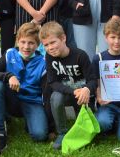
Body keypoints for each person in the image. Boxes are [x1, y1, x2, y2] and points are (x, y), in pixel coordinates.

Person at [0, 22, 49, 155]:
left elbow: (46, 94)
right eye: (23, 42)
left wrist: (51, 125)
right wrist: (8, 75)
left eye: (31, 43)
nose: (26, 47)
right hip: (11, 99)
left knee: (40, 135)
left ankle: (29, 121)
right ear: (17, 41)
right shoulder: (10, 54)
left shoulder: (43, 62)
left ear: (38, 44)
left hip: (31, 101)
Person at [40, 22, 98, 150]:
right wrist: (73, 91)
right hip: (68, 93)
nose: (50, 48)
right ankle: (62, 132)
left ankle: (82, 130)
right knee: (56, 97)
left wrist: (87, 89)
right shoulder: (49, 57)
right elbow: (53, 82)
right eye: (46, 45)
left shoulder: (80, 55)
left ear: (63, 38)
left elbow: (93, 80)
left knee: (88, 131)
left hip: (83, 96)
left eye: (53, 42)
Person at [92, 19, 120, 142]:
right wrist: (99, 97)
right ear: (106, 37)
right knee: (102, 123)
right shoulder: (99, 58)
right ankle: (111, 124)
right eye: (113, 37)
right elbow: (96, 82)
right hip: (108, 104)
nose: (116, 42)